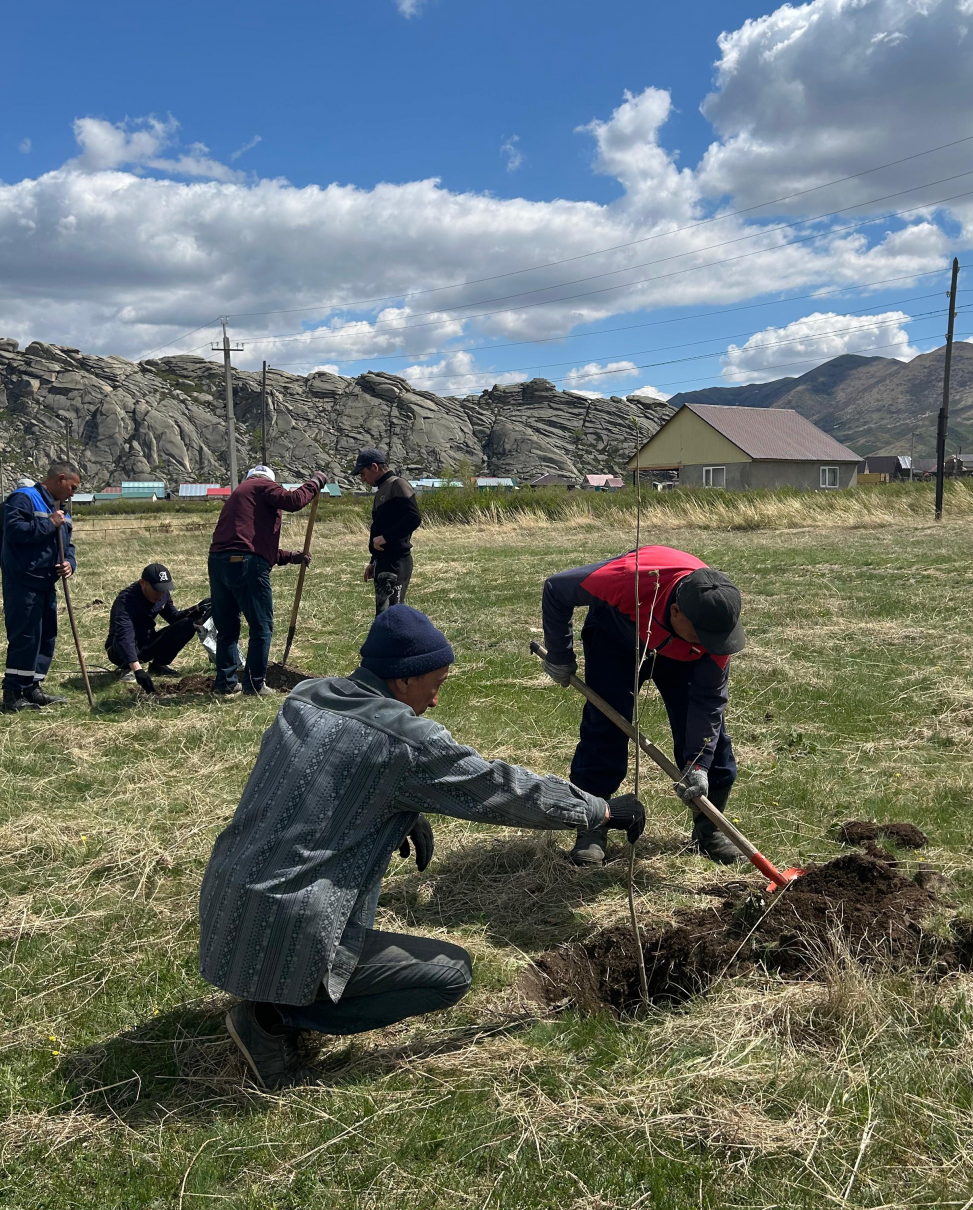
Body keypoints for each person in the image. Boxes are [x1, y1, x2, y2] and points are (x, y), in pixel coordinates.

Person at [199, 604, 645, 1089]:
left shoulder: (305, 700)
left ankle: (277, 989)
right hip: (287, 925)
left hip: (225, 908)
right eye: (436, 683)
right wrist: (598, 810)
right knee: (450, 973)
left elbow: (321, 784)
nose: (435, 700)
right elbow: (502, 790)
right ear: (402, 681)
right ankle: (272, 1019)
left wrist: (401, 809)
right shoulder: (406, 740)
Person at [540, 544, 746, 868]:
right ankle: (592, 827)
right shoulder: (629, 578)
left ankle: (710, 828)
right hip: (618, 639)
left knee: (714, 750)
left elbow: (708, 702)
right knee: (604, 731)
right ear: (676, 611)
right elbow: (556, 588)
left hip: (683, 661)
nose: (712, 646)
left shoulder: (714, 630)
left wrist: (698, 764)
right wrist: (560, 654)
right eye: (702, 637)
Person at [207, 465, 327, 698]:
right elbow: (294, 501)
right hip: (245, 564)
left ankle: (226, 683)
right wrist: (316, 481)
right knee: (261, 626)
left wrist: (292, 557)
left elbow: (256, 545)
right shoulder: (262, 485)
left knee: (228, 627)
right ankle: (254, 684)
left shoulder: (240, 494)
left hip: (218, 562)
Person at [0, 461, 81, 713]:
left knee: (46, 636)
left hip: (47, 583)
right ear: (60, 478)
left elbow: (69, 545)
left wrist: (69, 562)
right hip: (23, 581)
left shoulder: (60, 509)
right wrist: (50, 524)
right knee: (25, 636)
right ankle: (12, 692)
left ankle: (32, 687)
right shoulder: (24, 499)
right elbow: (13, 531)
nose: (73, 493)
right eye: (72, 487)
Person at [105, 562, 211, 693]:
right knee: (127, 635)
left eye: (163, 589)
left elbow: (173, 617)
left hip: (146, 643)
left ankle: (158, 665)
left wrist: (195, 609)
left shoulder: (163, 594)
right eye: (156, 589)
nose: (160, 594)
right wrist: (137, 669)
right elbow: (124, 636)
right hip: (119, 650)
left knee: (187, 623)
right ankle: (128, 667)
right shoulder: (126, 601)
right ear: (143, 583)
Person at [356, 447, 421, 614]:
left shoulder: (398, 484)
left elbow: (413, 518)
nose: (362, 479)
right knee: (383, 615)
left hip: (397, 562)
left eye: (363, 473)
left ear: (374, 467)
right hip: (384, 561)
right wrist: (374, 561)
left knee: (393, 615)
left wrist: (386, 538)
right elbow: (381, 527)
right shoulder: (381, 490)